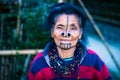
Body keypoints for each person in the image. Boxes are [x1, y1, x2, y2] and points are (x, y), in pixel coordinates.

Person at [27, 3, 112, 80]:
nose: (66, 33)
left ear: (80, 33)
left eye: (73, 28)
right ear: (52, 32)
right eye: (60, 27)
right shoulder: (39, 63)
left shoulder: (93, 60)